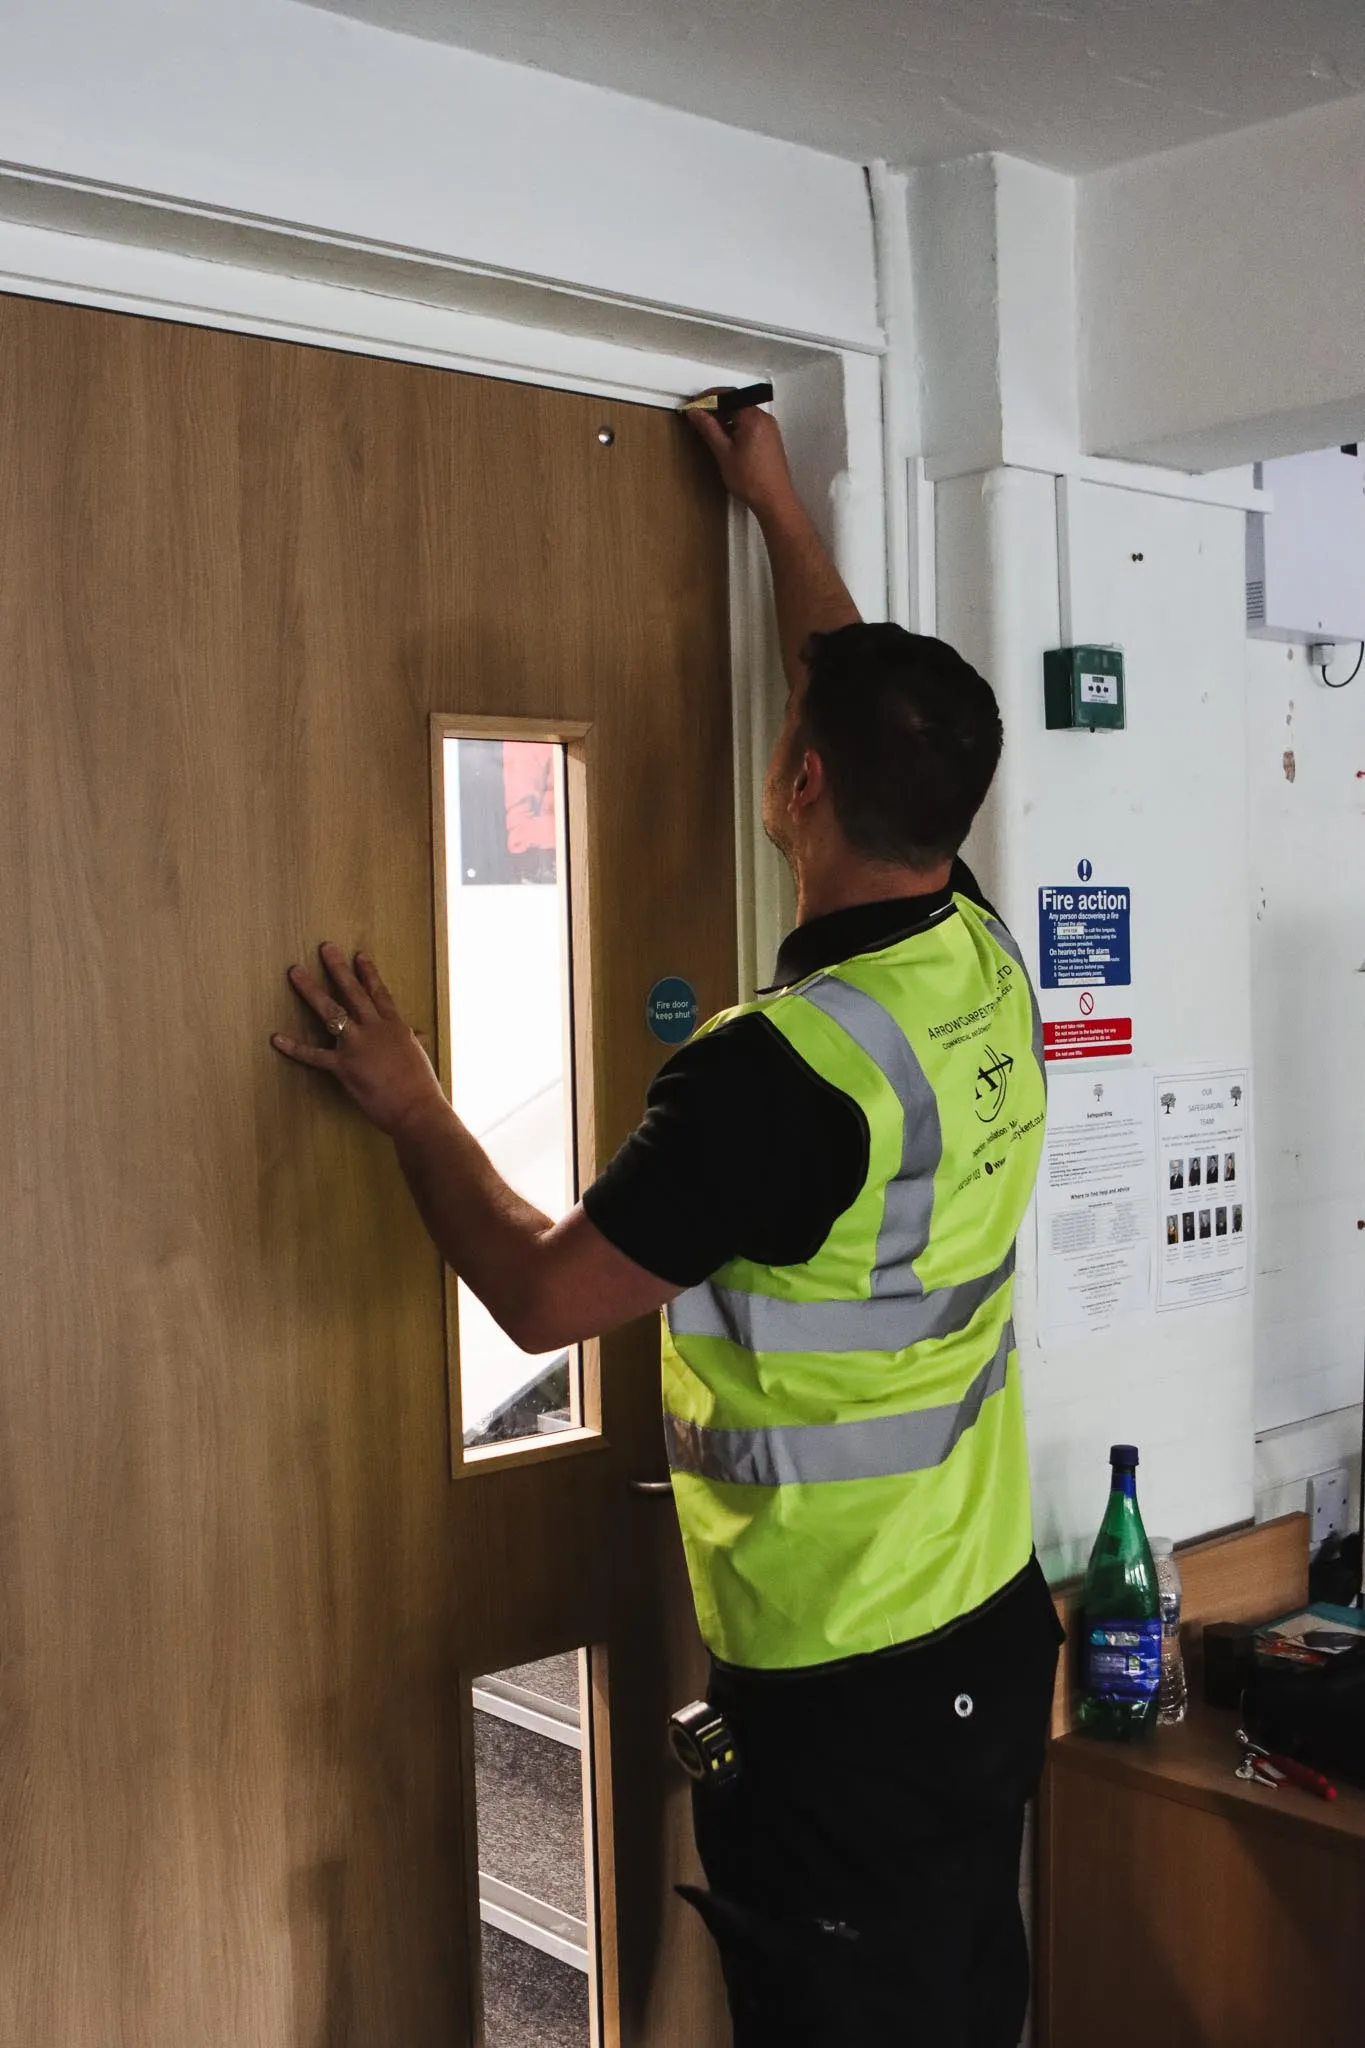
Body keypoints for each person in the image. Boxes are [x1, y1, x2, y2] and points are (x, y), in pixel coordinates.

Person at [272, 404, 1058, 2048]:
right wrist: (776, 509)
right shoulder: (976, 961)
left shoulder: (781, 1080)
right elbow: (846, 682)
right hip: (982, 1624)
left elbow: (550, 1301)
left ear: (803, 782)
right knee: (964, 2001)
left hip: (848, 1676)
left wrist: (414, 1100)